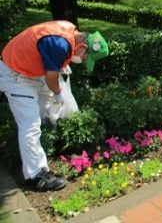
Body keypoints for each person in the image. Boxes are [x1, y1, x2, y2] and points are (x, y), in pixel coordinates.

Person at [0, 21, 109, 192]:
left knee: (45, 102)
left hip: (30, 71)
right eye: (85, 57)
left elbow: (49, 55)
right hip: (15, 75)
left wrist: (60, 67)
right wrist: (59, 93)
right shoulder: (60, 44)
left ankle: (44, 137)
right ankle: (36, 175)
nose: (82, 60)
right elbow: (51, 79)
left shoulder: (69, 29)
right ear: (82, 46)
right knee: (30, 124)